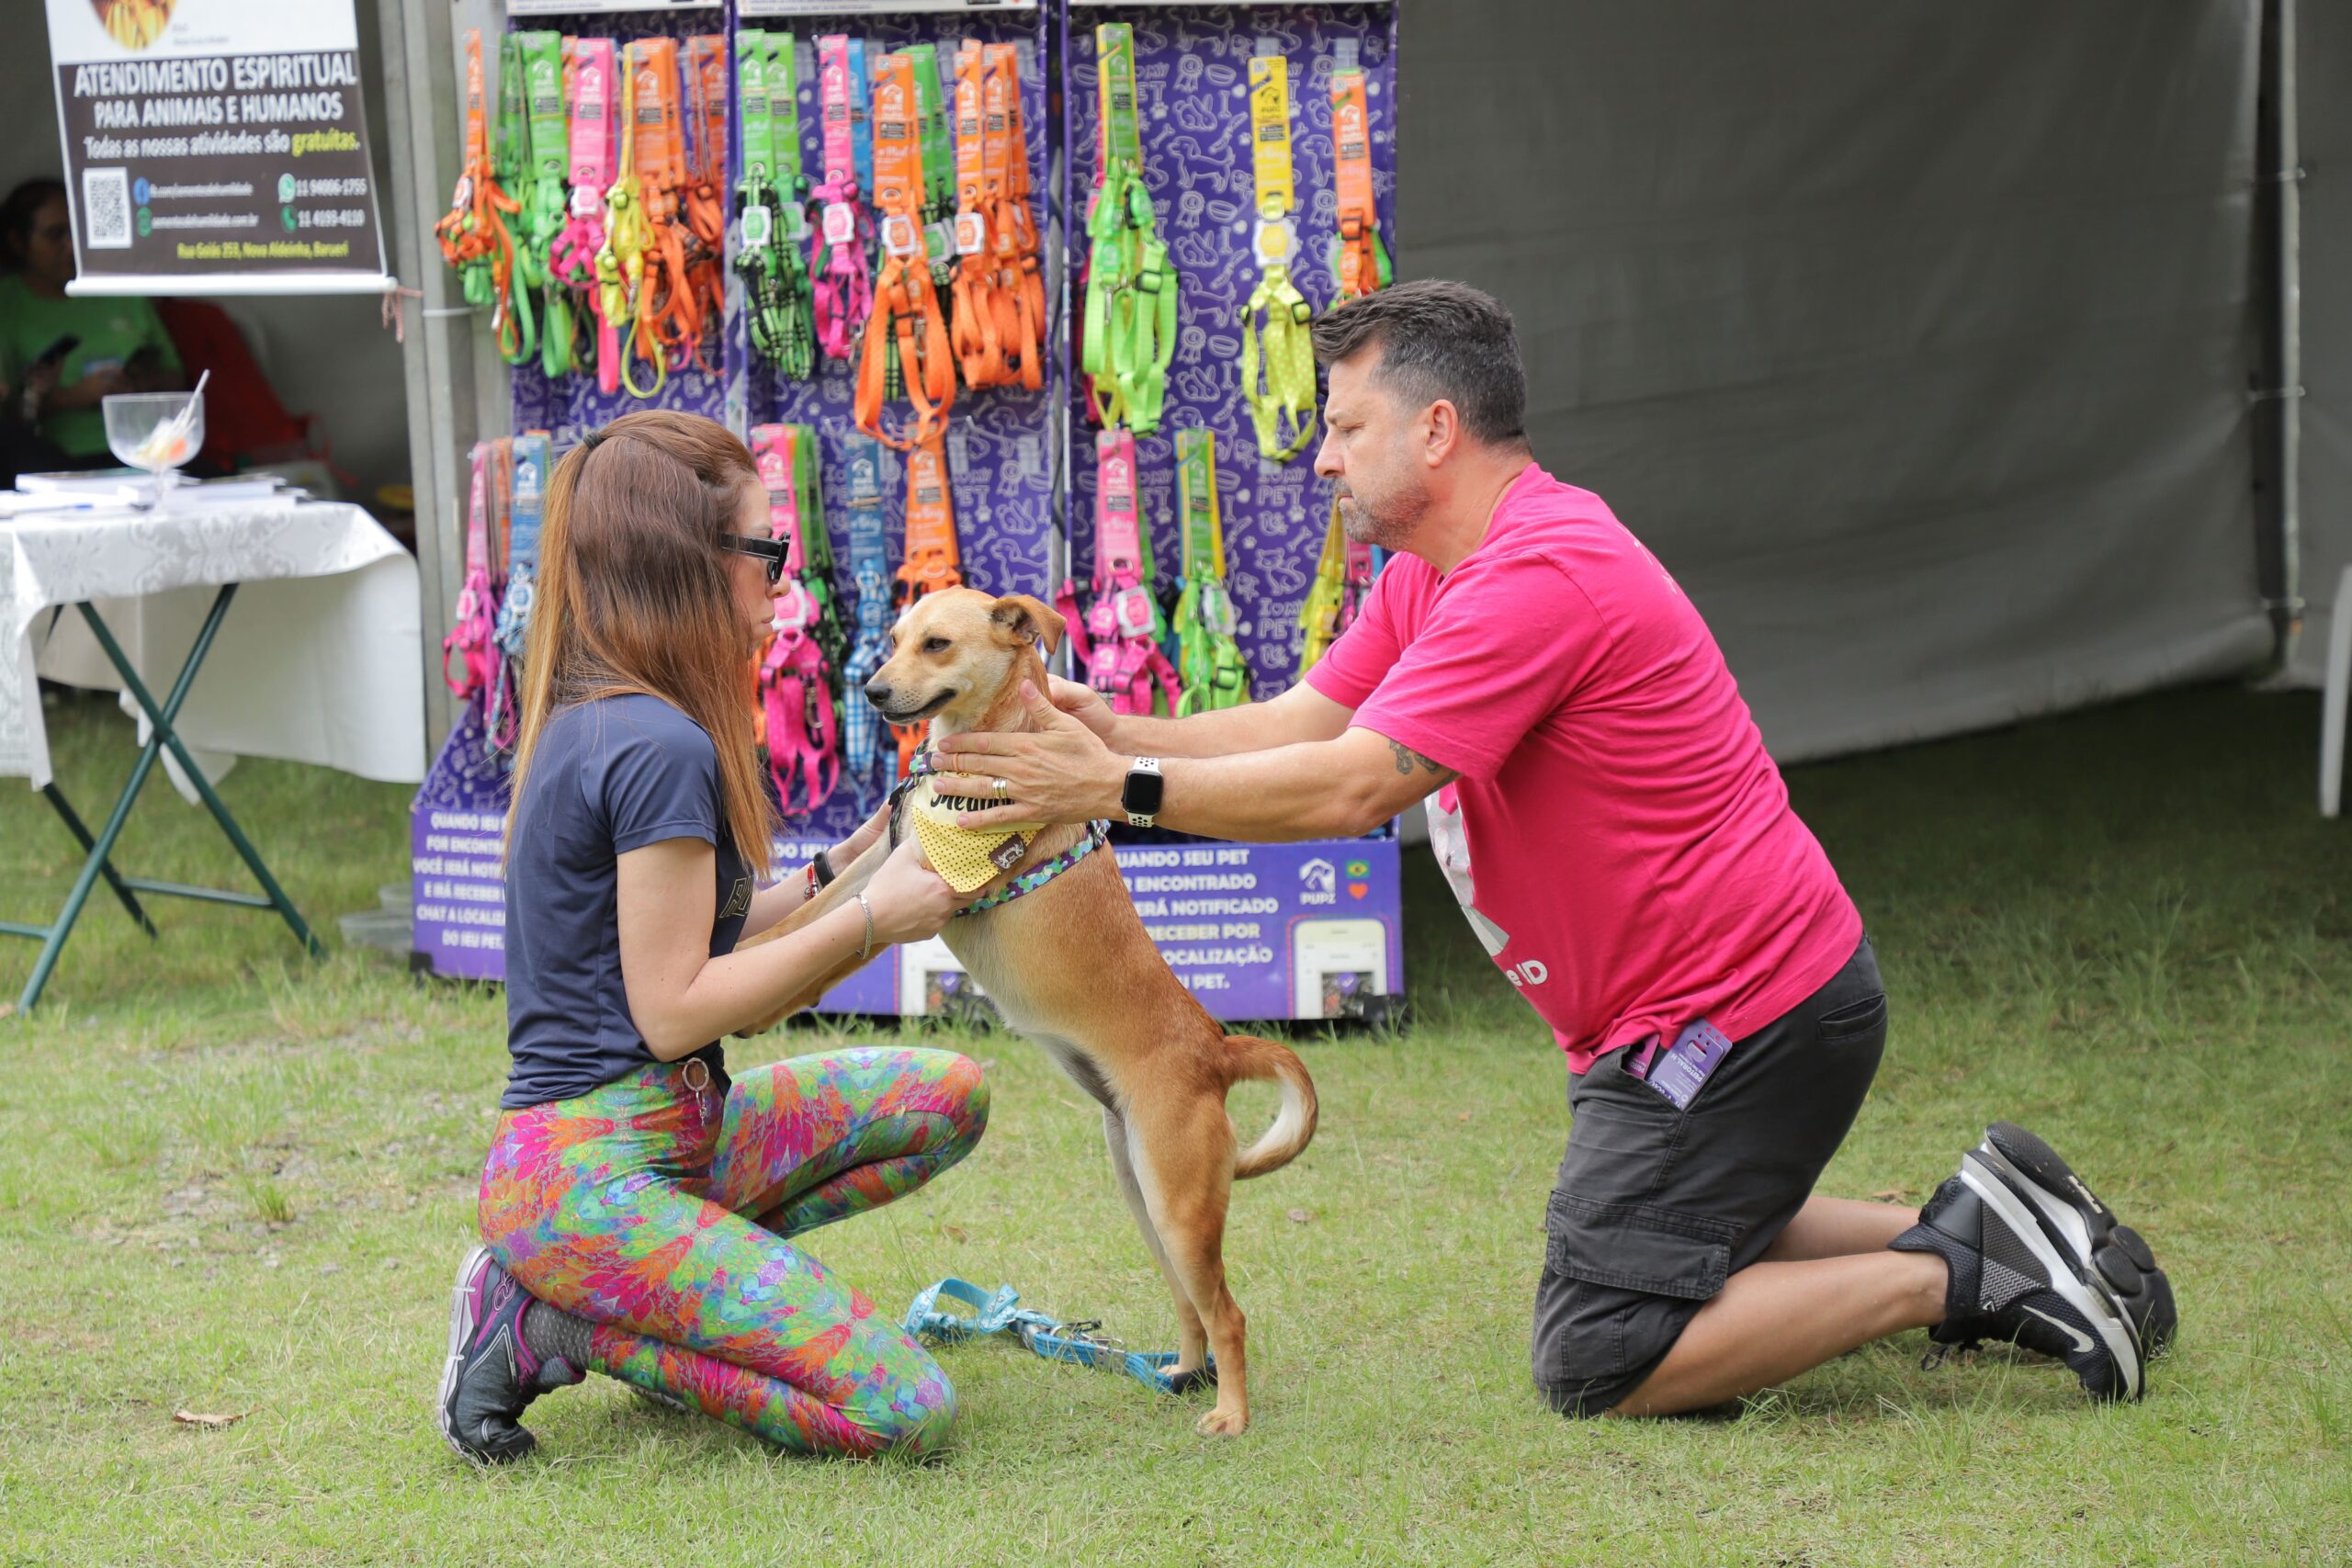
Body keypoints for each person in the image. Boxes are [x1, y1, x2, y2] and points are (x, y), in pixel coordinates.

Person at [934, 281, 2177, 1417]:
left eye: (1347, 426)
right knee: (1670, 1228)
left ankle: (1954, 1271)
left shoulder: (1536, 574)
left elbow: (1353, 784)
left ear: (1435, 432)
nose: (1322, 457)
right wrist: (1119, 729)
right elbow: (1297, 723)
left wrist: (1114, 787)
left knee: (1600, 1347)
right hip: (1692, 1021)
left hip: (1741, 1020)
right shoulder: (1439, 571)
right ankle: (1987, 1218)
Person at [437, 410, 981, 1466]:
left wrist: (865, 852)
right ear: (689, 563)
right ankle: (554, 1322)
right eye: (765, 551)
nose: (782, 581)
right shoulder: (654, 743)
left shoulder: (614, 715)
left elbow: (708, 923)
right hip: (590, 1180)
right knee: (904, 1411)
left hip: (674, 1139)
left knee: (947, 1094)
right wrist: (881, 919)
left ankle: (668, 1299)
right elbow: (675, 1005)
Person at [0, 177, 185, 464]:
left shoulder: (115, 288)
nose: (71, 246)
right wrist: (69, 397)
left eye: (77, 232)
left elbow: (178, 379)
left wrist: (139, 382)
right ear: (17, 241)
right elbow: (9, 414)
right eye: (55, 234)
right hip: (58, 461)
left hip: (149, 452)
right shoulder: (8, 304)